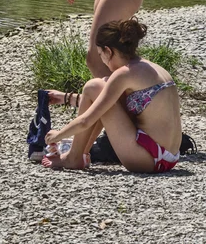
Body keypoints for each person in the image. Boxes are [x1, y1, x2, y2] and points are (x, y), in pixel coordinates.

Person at [41, 18, 182, 173]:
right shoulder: (150, 68)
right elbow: (107, 105)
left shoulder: (123, 74)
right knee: (101, 85)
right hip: (169, 157)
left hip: (147, 159)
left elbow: (86, 120)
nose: (102, 60)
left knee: (94, 85)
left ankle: (73, 158)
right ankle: (80, 155)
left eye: (101, 54)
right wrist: (66, 98)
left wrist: (56, 136)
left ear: (108, 51)